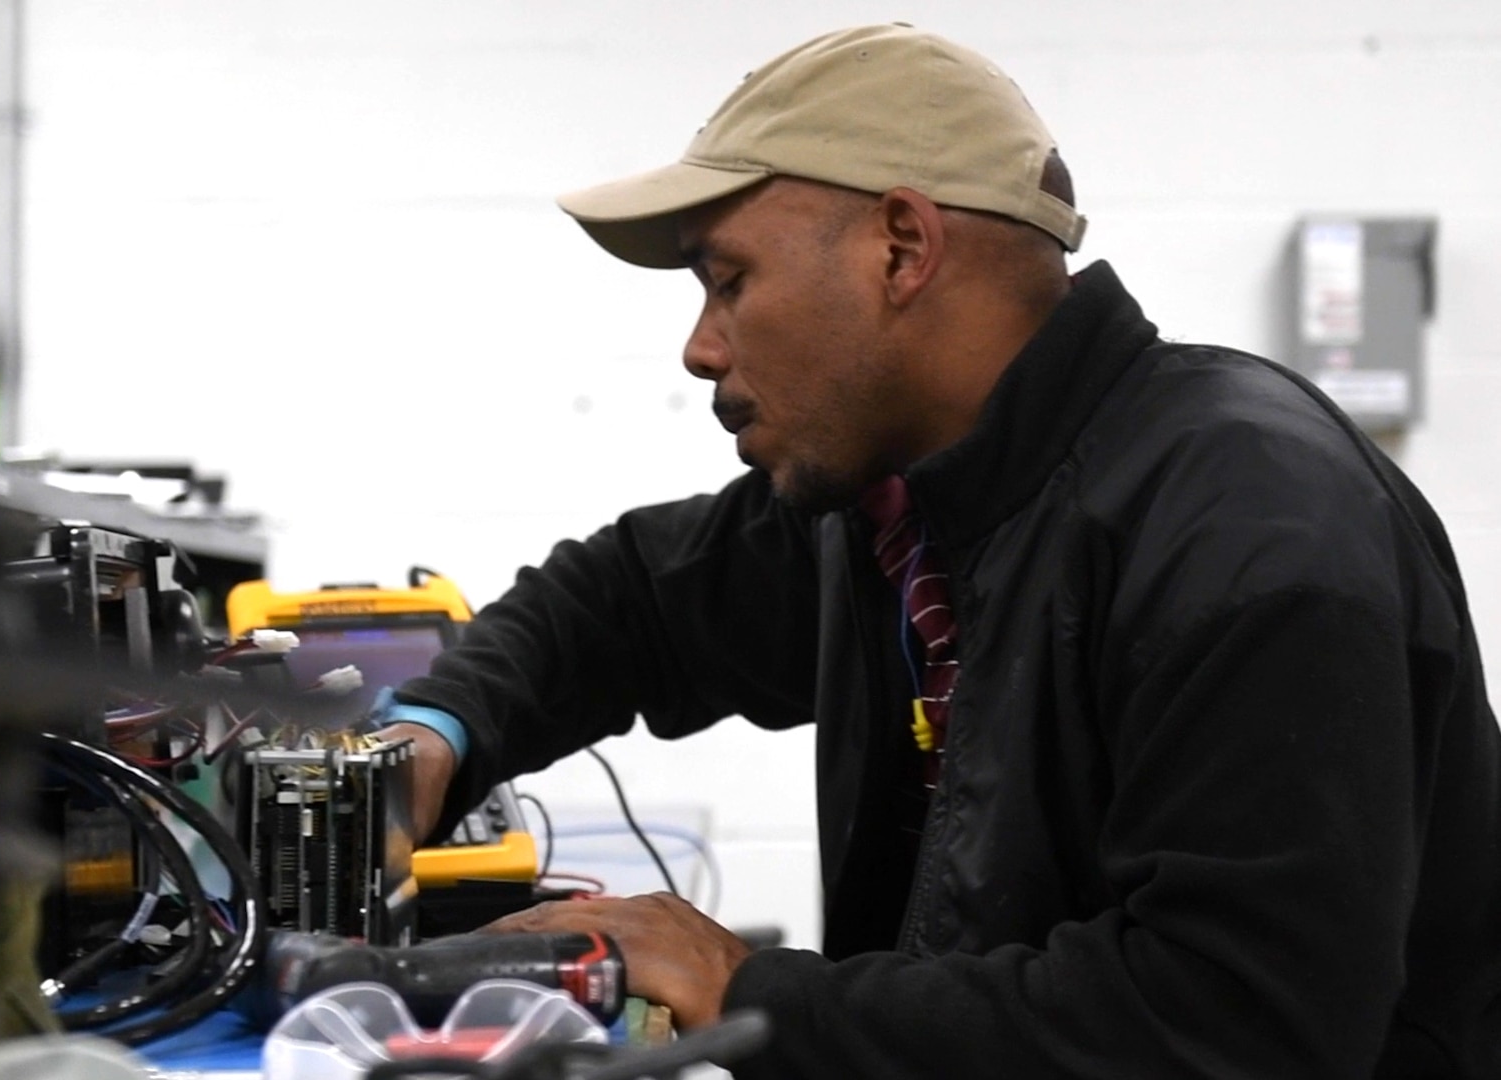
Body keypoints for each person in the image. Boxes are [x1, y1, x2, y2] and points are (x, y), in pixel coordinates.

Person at [376, 23, 1501, 1078]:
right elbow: (626, 602)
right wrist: (432, 738)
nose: (700, 347)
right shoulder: (899, 511)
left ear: (902, 246)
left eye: (729, 281)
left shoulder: (1250, 531)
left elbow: (1228, 1027)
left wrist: (752, 993)